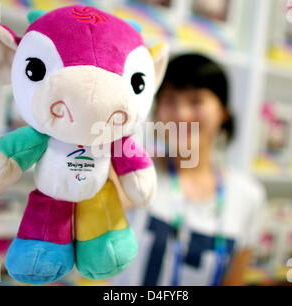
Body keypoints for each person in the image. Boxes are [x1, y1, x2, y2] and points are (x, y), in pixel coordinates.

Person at [112, 53, 266, 286]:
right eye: (170, 100)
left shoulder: (248, 196)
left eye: (196, 101)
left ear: (223, 112)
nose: (181, 114)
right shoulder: (131, 171)